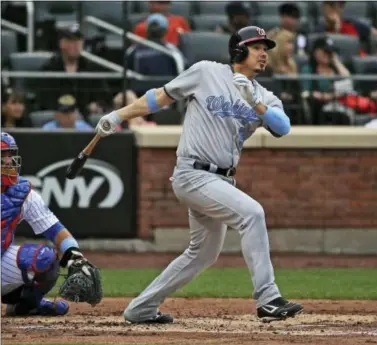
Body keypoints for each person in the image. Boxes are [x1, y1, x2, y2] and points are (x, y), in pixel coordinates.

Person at [95, 25, 303, 324]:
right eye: (257, 47)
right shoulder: (207, 72)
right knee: (252, 214)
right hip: (193, 173)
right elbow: (158, 98)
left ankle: (141, 308)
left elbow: (282, 128)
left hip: (221, 179)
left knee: (203, 253)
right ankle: (268, 299)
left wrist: (254, 103)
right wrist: (117, 116)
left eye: (265, 49)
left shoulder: (264, 96)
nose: (263, 54)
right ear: (239, 50)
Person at [1, 132, 95, 316]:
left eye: (10, 155)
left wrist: (75, 257)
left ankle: (27, 305)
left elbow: (55, 229)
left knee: (47, 259)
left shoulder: (21, 192)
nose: (8, 161)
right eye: (1, 156)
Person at [38, 24, 112, 118]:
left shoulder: (91, 68)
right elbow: (45, 100)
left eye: (78, 42)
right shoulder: (49, 68)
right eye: (71, 41)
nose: (75, 45)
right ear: (62, 44)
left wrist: (96, 105)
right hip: (57, 118)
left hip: (86, 118)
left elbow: (104, 96)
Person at [300, 36, 351, 124]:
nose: (328, 54)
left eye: (330, 52)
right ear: (316, 52)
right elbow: (307, 92)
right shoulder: (308, 69)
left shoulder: (335, 69)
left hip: (339, 106)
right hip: (319, 108)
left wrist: (336, 61)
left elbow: (347, 79)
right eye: (325, 51)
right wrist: (329, 96)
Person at [127, 13, 183, 78]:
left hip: (162, 87)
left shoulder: (133, 50)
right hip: (146, 87)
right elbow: (181, 73)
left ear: (146, 30)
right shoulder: (173, 51)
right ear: (165, 31)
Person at [267, 29, 303, 124]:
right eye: (288, 43)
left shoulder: (292, 65)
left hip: (294, 112)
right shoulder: (268, 67)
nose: (291, 47)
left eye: (292, 43)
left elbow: (297, 93)